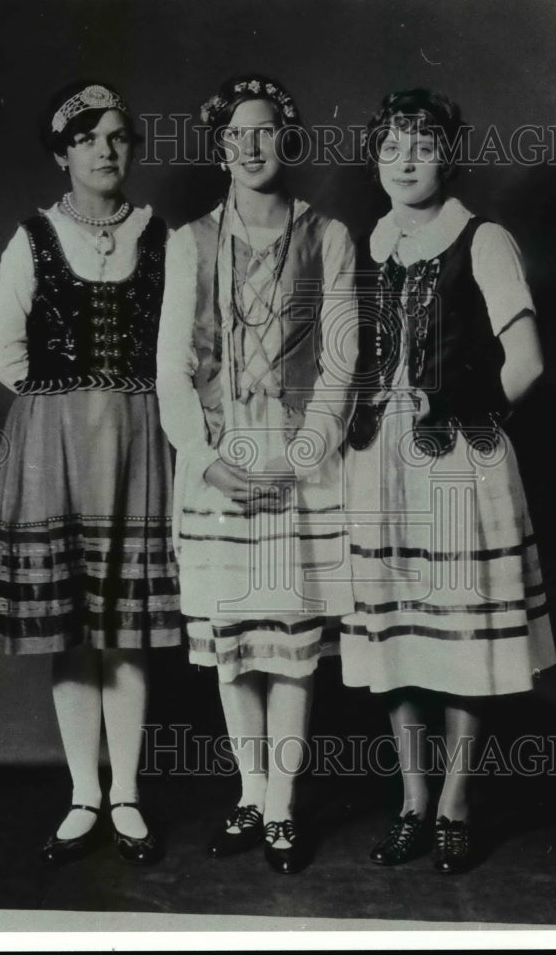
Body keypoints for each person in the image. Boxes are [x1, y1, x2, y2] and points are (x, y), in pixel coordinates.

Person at [342, 88, 556, 873]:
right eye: (392, 145)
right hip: (377, 462)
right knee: (397, 633)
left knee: (463, 634)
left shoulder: (483, 238)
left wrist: (466, 411)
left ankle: (457, 803)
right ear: (375, 158)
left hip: (457, 461)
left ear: (448, 155)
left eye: (423, 145)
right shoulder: (373, 241)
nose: (405, 160)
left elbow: (526, 363)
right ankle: (412, 801)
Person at [0, 81, 182, 866]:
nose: (107, 150)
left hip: (138, 440)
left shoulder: (161, 235)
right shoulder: (31, 237)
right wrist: (62, 411)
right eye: (90, 138)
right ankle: (83, 794)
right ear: (63, 153)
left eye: (120, 137)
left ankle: (125, 793)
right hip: (56, 445)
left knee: (126, 629)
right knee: (72, 627)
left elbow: (181, 349)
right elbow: (4, 353)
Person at [156, 75, 357, 874]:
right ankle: (249, 790)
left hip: (300, 456)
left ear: (288, 138)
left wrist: (298, 455)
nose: (251, 146)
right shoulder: (189, 243)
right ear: (219, 148)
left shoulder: (329, 237)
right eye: (236, 135)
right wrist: (206, 465)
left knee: (290, 639)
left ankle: (282, 807)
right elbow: (171, 371)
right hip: (218, 461)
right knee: (232, 638)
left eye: (266, 130)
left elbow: (341, 364)